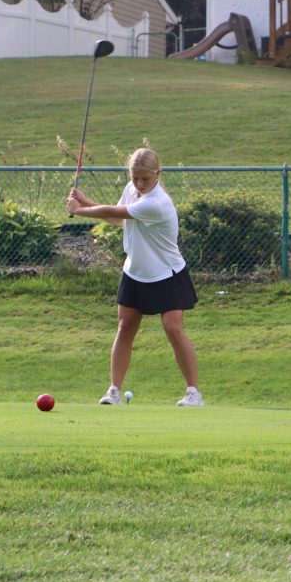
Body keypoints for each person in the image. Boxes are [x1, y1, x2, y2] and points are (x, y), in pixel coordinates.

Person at [66, 147, 204, 407]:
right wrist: (85, 202)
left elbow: (121, 213)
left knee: (173, 328)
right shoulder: (133, 191)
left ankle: (194, 393)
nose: (139, 184)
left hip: (167, 273)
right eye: (135, 178)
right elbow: (120, 219)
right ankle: (114, 391)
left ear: (157, 175)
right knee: (125, 327)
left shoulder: (157, 203)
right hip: (136, 271)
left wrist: (79, 210)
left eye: (145, 179)